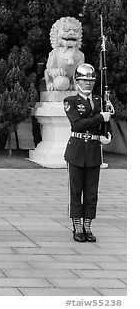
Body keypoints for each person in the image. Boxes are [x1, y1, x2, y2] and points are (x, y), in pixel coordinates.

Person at [64, 63, 113, 243]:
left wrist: (107, 135)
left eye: (91, 80)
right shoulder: (70, 101)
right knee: (76, 191)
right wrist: (101, 117)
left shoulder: (100, 101)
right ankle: (77, 228)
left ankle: (88, 226)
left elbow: (105, 125)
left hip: (93, 151)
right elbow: (77, 124)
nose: (88, 84)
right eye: (84, 80)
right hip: (76, 151)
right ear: (77, 81)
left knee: (91, 192)